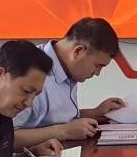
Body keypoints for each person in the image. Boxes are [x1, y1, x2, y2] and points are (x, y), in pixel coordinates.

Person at [12, 18, 126, 146]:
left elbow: (52, 118)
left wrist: (95, 112)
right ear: (78, 51)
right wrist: (63, 131)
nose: (97, 73)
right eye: (98, 65)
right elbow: (5, 138)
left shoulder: (68, 69)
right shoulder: (30, 70)